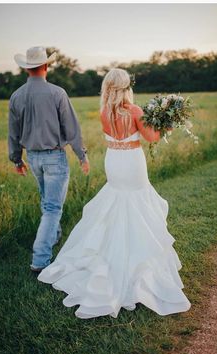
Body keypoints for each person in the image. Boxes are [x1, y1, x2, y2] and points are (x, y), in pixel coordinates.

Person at [38, 68, 191, 319]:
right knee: (137, 204)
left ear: (108, 87)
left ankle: (108, 256)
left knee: (117, 202)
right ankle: (138, 266)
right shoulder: (135, 111)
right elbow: (151, 138)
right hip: (131, 162)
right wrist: (167, 126)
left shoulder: (104, 112)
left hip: (114, 162)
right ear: (126, 86)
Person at [8, 46, 90, 272]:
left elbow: (13, 133)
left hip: (32, 158)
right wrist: (82, 155)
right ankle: (40, 260)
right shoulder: (57, 93)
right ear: (46, 66)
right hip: (54, 156)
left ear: (27, 69)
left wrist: (17, 160)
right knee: (53, 208)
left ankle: (53, 238)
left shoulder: (16, 96)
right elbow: (71, 128)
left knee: (48, 203)